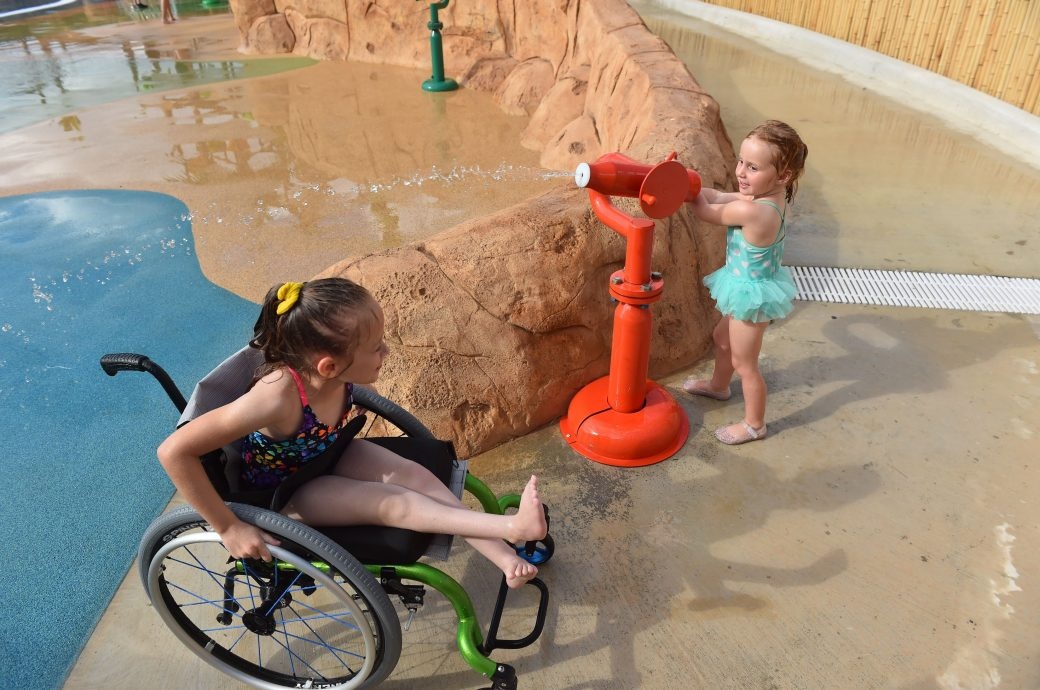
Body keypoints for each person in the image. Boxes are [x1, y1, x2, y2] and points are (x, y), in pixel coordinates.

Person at [157, 278, 547, 588]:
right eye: (377, 349)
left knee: (420, 477)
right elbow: (173, 452)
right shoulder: (275, 396)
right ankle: (512, 528)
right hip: (288, 492)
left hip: (326, 454)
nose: (386, 354)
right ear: (328, 366)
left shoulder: (330, 376)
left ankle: (505, 557)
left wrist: (356, 394)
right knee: (396, 502)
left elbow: (352, 390)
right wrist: (228, 526)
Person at [683, 120, 808, 445]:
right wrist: (691, 186)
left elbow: (708, 211)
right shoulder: (761, 196)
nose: (741, 171)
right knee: (721, 339)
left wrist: (688, 196)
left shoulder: (757, 212)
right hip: (745, 287)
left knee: (746, 364)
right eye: (741, 161)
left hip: (751, 298)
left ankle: (755, 424)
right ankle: (719, 387)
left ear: (783, 176)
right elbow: (718, 195)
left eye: (752, 167)